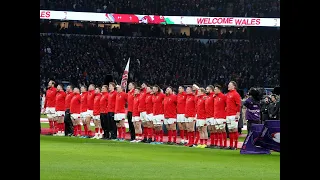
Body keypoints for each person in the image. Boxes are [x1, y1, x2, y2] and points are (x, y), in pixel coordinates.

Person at [226, 81, 241, 150]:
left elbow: (238, 104)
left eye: (229, 85)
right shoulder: (228, 94)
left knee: (234, 129)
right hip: (228, 114)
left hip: (233, 114)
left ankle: (235, 145)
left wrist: (237, 113)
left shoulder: (236, 94)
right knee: (230, 130)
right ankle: (231, 145)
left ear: (234, 86)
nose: (228, 86)